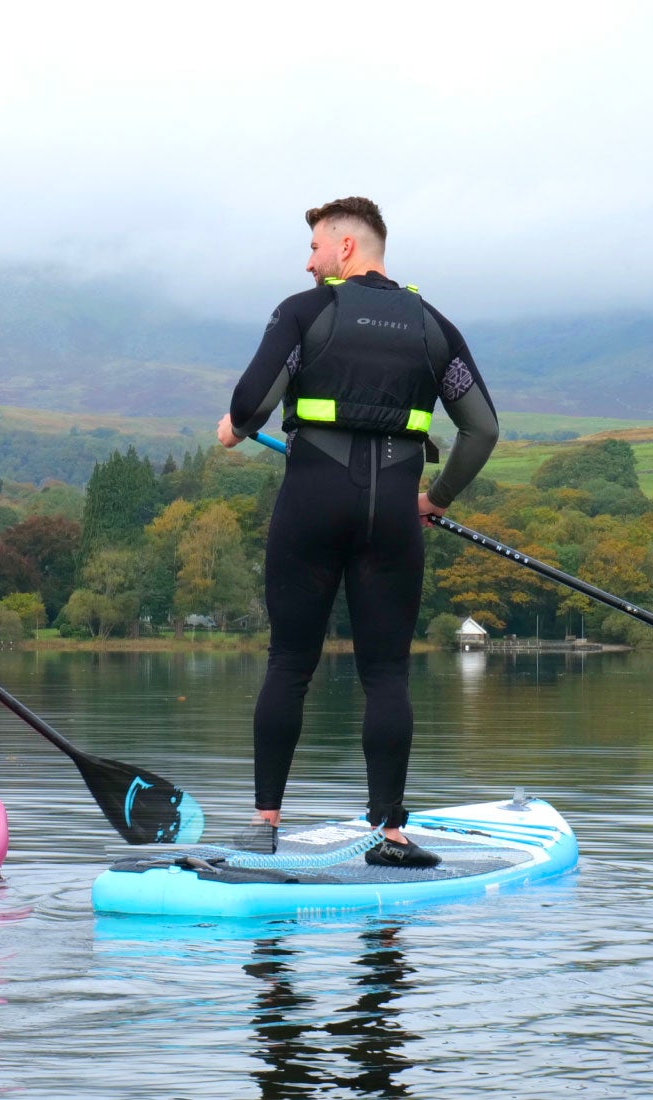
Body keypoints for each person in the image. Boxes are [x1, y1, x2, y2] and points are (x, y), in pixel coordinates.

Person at [215, 196, 498, 867]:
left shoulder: (303, 311)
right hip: (395, 516)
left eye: (314, 247)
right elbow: (482, 429)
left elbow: (250, 401)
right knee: (386, 673)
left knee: (290, 662)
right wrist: (437, 498)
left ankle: (264, 824)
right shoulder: (436, 328)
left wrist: (236, 427)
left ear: (345, 248)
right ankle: (392, 834)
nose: (307, 261)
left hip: (312, 504)